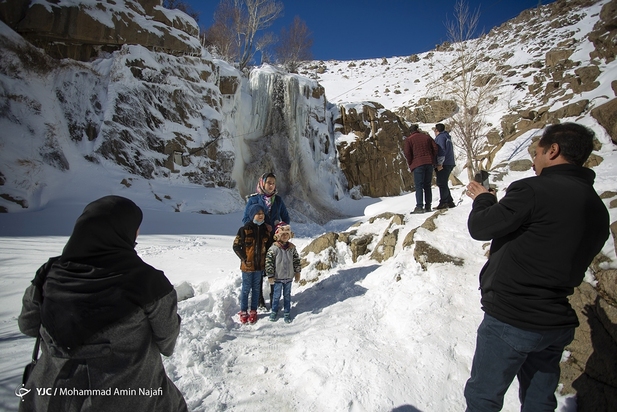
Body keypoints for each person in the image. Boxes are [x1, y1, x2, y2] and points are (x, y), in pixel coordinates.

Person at [464, 123, 610, 412]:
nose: (534, 160)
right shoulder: (597, 208)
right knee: (539, 401)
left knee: (483, 399)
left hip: (511, 317)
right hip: (555, 322)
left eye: (538, 152)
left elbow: (481, 227)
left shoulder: (533, 190)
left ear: (553, 150)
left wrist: (483, 199)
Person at [18, 195, 187, 412]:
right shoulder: (149, 282)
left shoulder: (48, 273)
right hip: (128, 397)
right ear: (123, 231)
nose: (137, 233)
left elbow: (28, 325)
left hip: (50, 396)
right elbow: (167, 343)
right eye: (136, 227)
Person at [242, 172, 290, 308]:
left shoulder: (278, 200)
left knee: (274, 269)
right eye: (268, 182)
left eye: (273, 183)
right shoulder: (253, 200)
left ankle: (274, 297)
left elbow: (286, 218)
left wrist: (279, 226)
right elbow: (246, 220)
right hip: (258, 241)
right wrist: (262, 225)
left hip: (274, 241)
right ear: (262, 183)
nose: (271, 185)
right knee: (259, 270)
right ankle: (259, 300)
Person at [233, 204, 272, 324]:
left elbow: (270, 246)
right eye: (258, 214)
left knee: (256, 289)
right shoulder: (244, 230)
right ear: (252, 215)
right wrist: (244, 258)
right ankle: (243, 311)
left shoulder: (266, 231)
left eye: (262, 214)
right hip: (247, 267)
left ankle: (253, 311)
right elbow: (236, 246)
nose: (261, 216)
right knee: (245, 289)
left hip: (260, 267)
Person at [266, 222, 301, 324]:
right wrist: (270, 275)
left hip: (288, 277)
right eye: (282, 234)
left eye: (287, 234)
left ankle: (287, 312)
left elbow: (296, 260)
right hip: (277, 277)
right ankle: (274, 310)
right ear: (278, 236)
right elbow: (269, 262)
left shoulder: (292, 248)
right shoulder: (274, 248)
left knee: (287, 295)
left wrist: (297, 272)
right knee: (276, 295)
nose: (285, 236)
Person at [403, 124, 439, 214]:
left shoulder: (409, 140)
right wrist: (431, 157)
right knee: (427, 185)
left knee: (419, 186)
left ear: (410, 131)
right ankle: (428, 206)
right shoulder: (426, 137)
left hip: (418, 164)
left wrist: (411, 162)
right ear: (417, 129)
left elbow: (407, 153)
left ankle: (419, 206)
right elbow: (435, 147)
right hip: (429, 163)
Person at [433, 123, 456, 209]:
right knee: (443, 182)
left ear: (437, 130)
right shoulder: (447, 137)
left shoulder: (441, 138)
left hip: (444, 163)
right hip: (450, 162)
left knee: (441, 182)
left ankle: (443, 202)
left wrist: (439, 163)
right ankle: (449, 201)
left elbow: (441, 151)